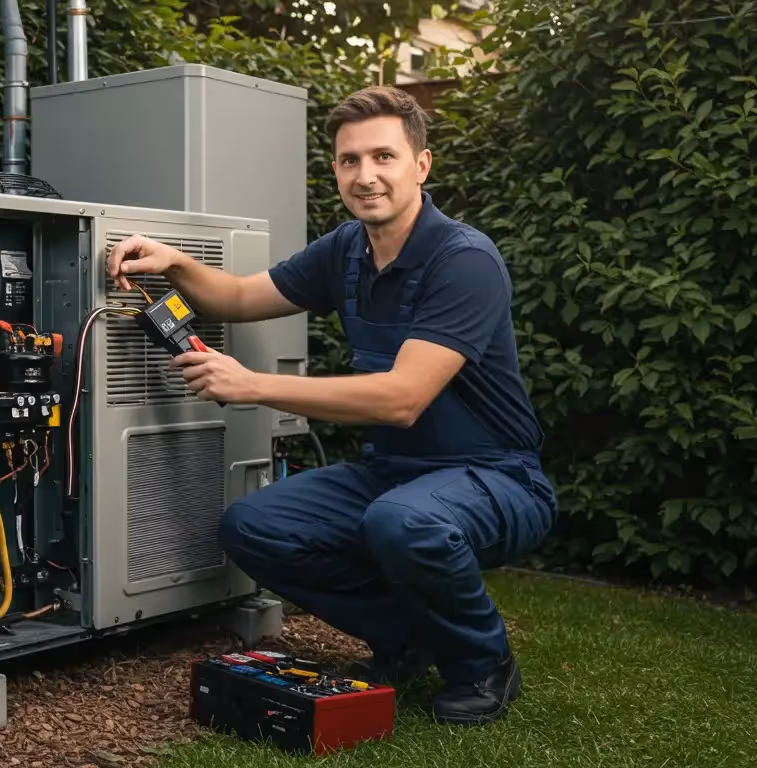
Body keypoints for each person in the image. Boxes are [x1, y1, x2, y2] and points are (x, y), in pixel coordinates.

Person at [106, 85, 557, 726]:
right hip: (395, 476)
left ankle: (482, 663)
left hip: (495, 475)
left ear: (421, 165)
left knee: (402, 523)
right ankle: (409, 636)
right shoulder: (347, 249)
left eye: (383, 157)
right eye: (349, 160)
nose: (365, 175)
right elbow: (237, 297)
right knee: (252, 528)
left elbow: (402, 399)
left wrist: (255, 384)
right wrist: (176, 261)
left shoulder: (464, 261)